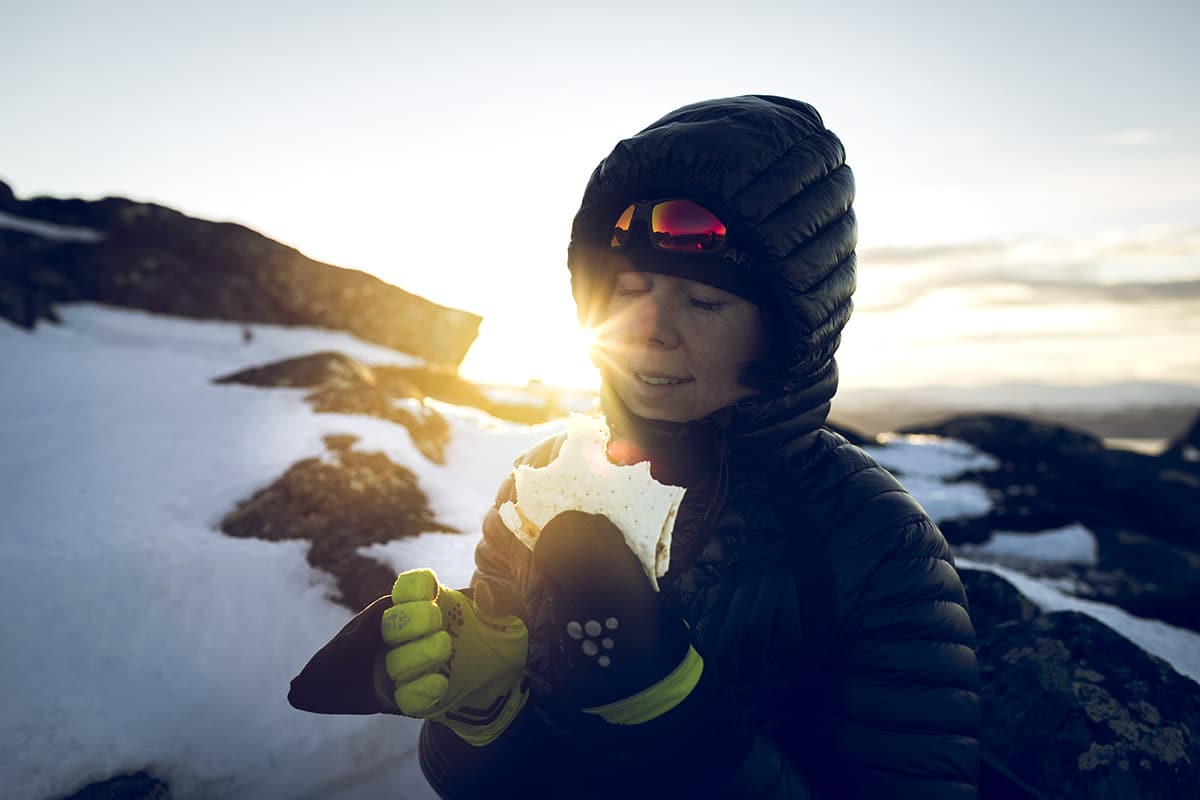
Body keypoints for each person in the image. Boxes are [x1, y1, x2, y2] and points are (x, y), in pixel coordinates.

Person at [289, 95, 981, 798]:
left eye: (704, 302)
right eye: (627, 288)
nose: (649, 329)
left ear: (787, 327)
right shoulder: (541, 486)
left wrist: (675, 709)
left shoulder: (874, 544)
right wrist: (480, 711)